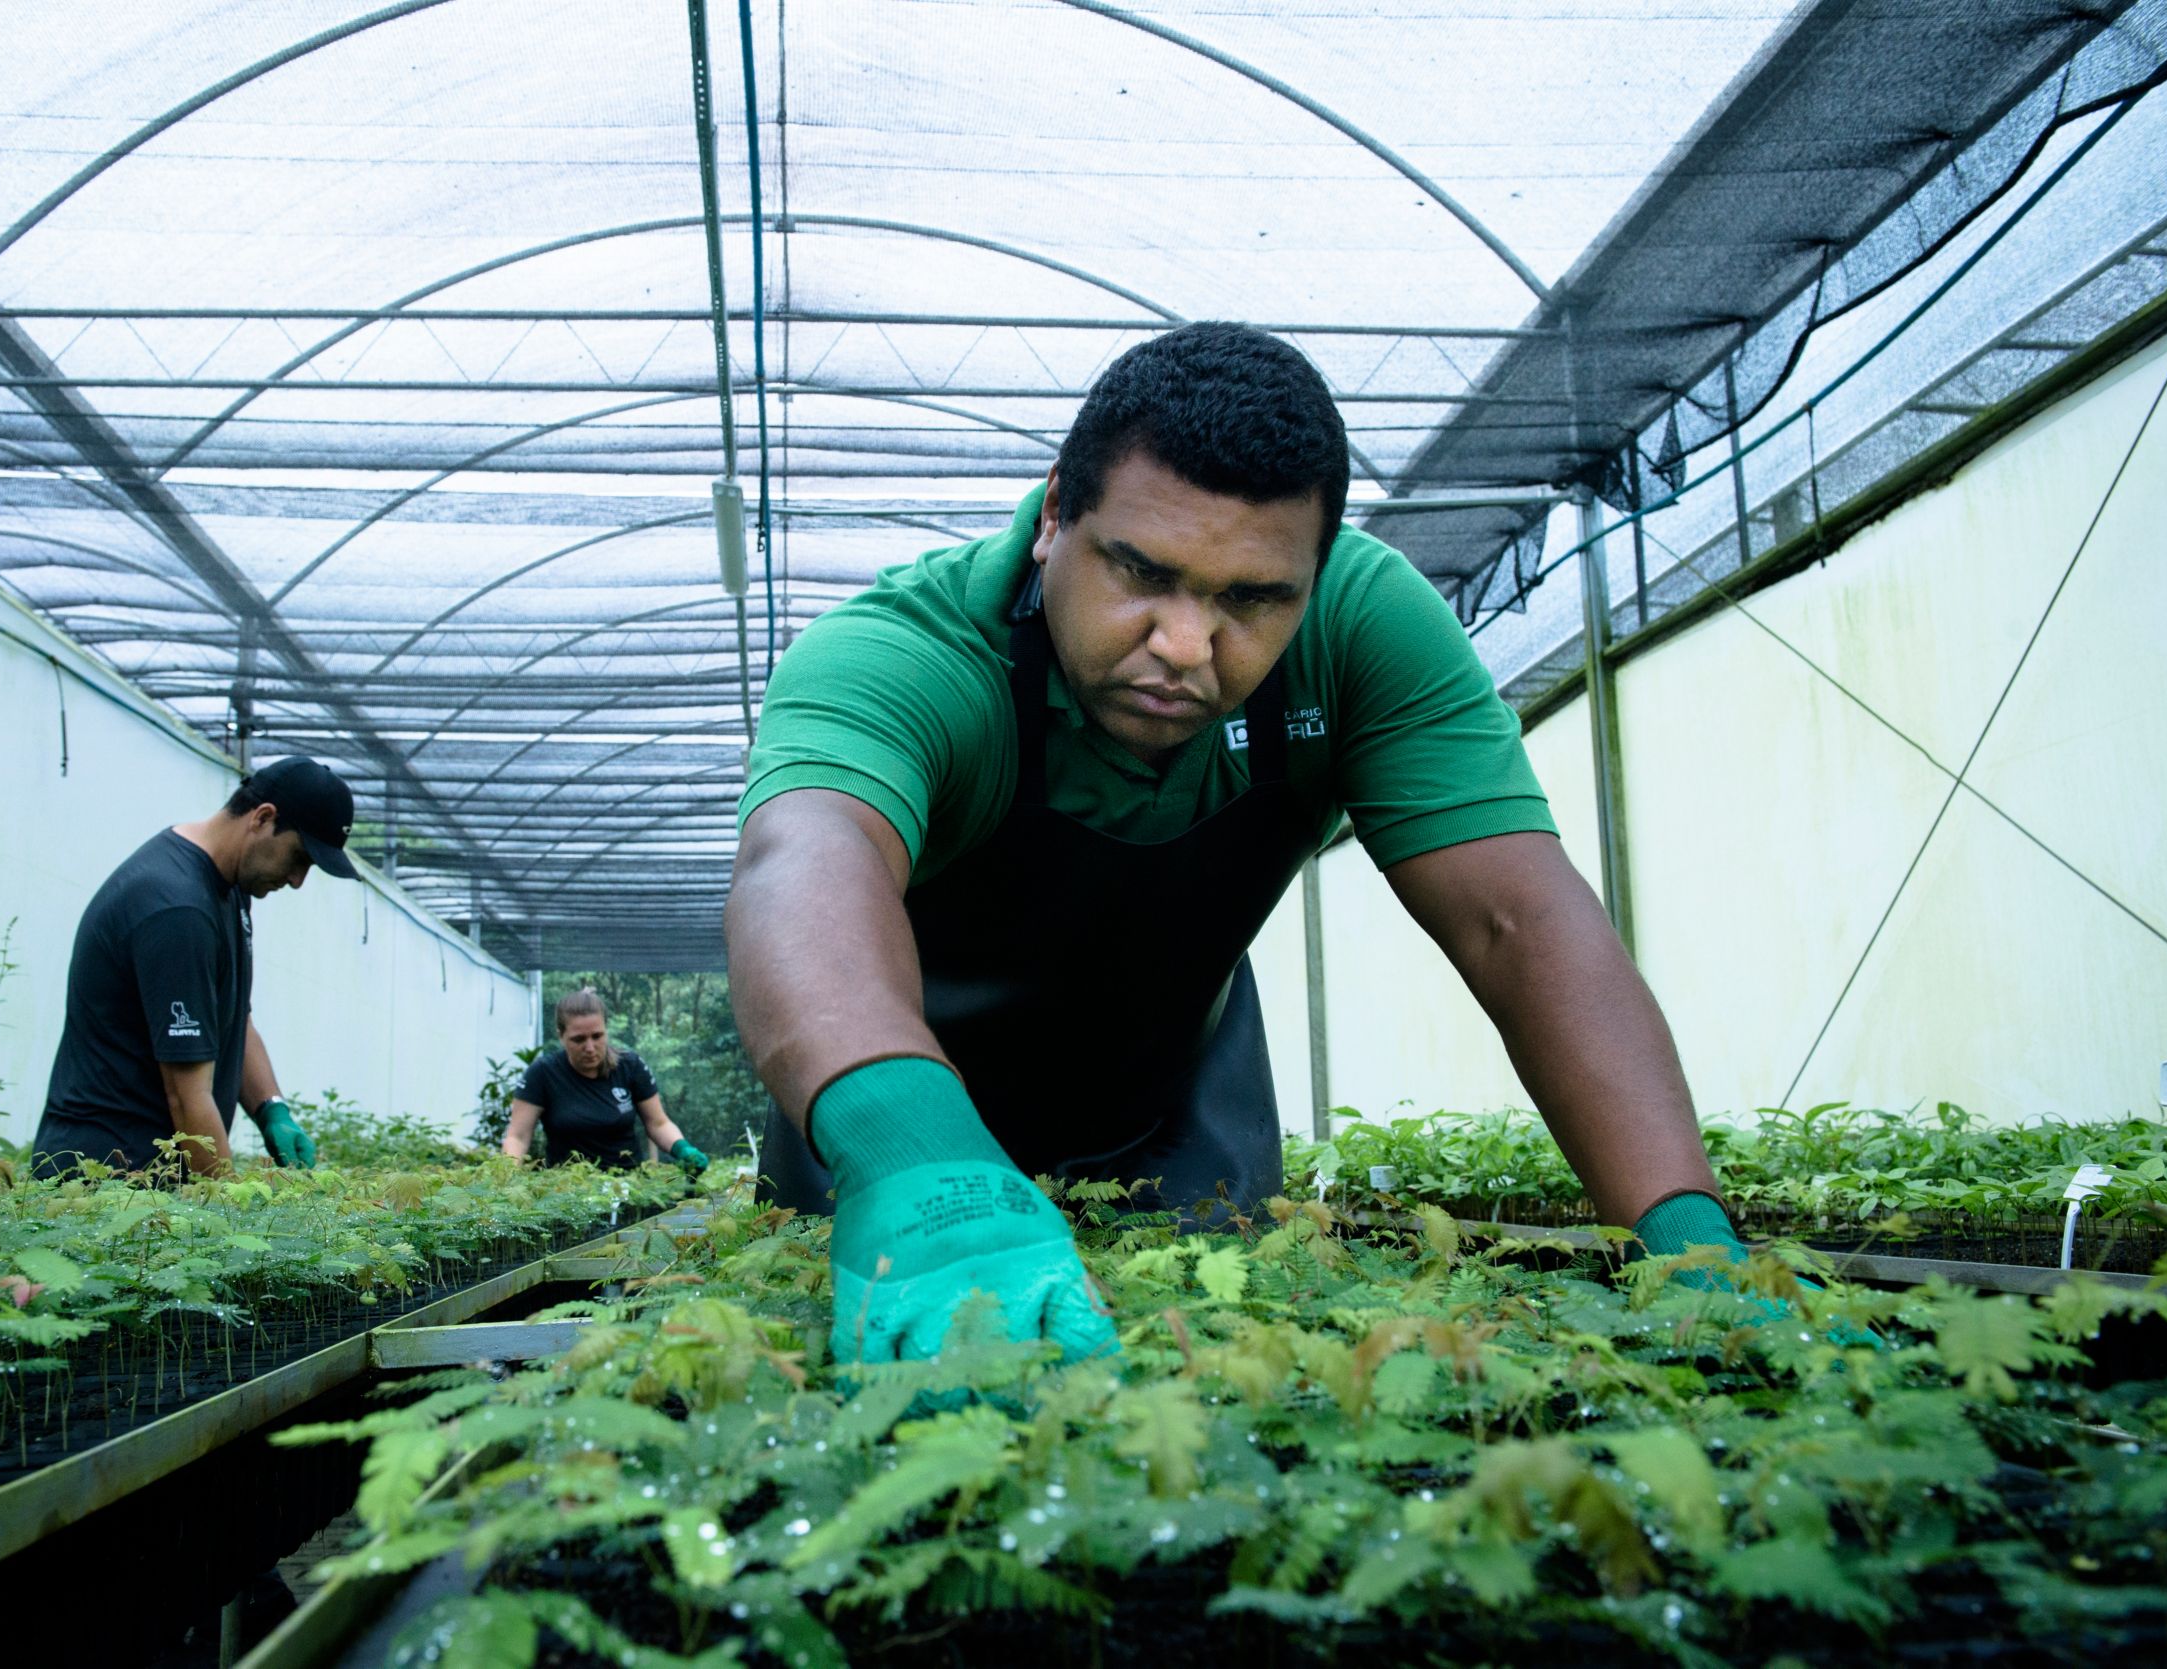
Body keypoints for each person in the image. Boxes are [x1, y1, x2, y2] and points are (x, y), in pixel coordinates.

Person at [727, 322, 1752, 1364]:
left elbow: (1515, 917)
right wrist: (907, 1152)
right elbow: (805, 863)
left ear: (1313, 576)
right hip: (881, 1131)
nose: (1184, 644)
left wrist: (1687, 1239)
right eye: (1141, 571)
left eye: (1252, 599)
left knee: (1221, 1378)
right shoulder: (908, 653)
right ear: (1053, 520)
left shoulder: (1363, 631)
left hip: (1173, 1116)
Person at [32, 756, 357, 1179]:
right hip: (103, 1182)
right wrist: (229, 1217)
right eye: (299, 858)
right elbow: (186, 1097)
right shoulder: (177, 908)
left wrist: (271, 1108)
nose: (297, 880)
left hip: (152, 1185)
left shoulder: (230, 886)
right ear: (262, 818)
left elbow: (231, 1018)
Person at [499, 990, 709, 1174]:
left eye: (597, 1036)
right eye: (579, 1039)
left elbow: (658, 1123)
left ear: (606, 1030)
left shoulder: (630, 1066)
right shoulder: (543, 1074)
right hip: (566, 1192)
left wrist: (682, 1149)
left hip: (631, 1188)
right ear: (561, 1036)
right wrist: (505, 1178)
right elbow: (517, 1136)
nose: (590, 1047)